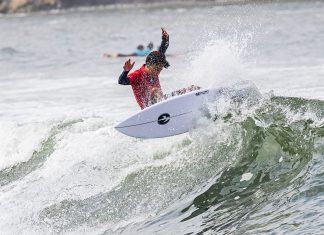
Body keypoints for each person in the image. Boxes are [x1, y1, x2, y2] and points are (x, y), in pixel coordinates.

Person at [118, 27, 200, 109]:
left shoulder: (155, 67)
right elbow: (122, 81)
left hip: (162, 102)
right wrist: (125, 71)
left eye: (160, 70)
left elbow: (161, 53)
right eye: (157, 69)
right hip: (148, 109)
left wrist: (165, 41)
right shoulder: (138, 74)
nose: (158, 72)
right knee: (155, 91)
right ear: (149, 65)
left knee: (191, 89)